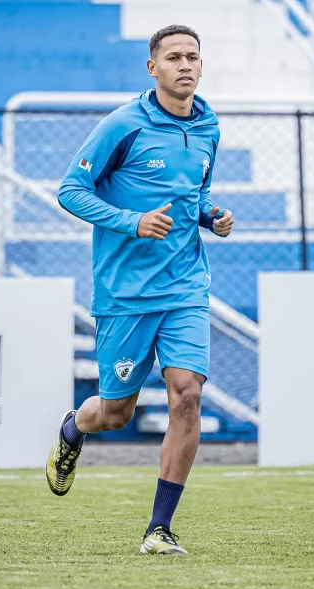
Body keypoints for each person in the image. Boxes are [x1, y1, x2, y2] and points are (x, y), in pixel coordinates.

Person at [45, 24, 234, 555]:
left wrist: (210, 216)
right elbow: (70, 191)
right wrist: (132, 222)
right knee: (116, 412)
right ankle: (74, 427)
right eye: (173, 57)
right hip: (125, 294)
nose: (185, 65)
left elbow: (193, 193)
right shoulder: (122, 125)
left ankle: (159, 528)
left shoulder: (209, 126)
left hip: (185, 287)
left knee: (187, 395)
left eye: (193, 57)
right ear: (153, 68)